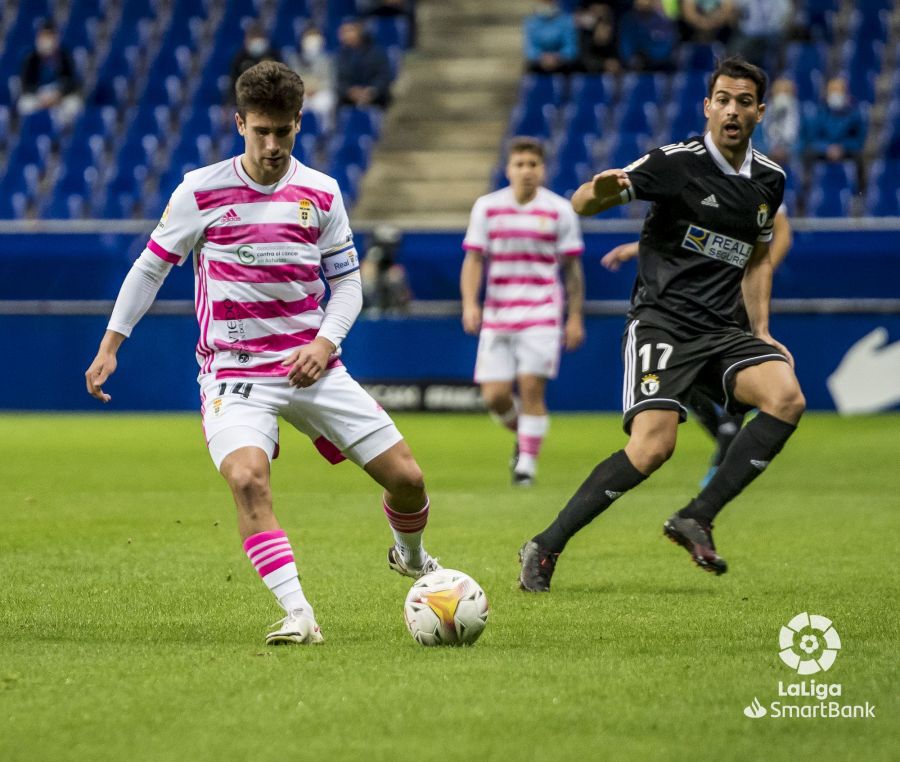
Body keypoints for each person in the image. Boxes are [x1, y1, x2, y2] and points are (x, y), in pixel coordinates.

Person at [85, 62, 441, 645]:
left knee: (408, 480)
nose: (272, 145)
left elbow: (347, 284)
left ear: (300, 124)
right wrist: (111, 344)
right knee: (249, 480)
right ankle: (299, 613)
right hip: (234, 371)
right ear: (239, 124)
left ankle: (410, 553)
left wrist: (325, 343)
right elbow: (150, 268)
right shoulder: (199, 190)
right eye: (261, 132)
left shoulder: (322, 193)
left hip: (313, 365)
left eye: (283, 132)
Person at [519, 57, 805, 590]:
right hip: (663, 325)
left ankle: (697, 515)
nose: (732, 110)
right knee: (653, 448)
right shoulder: (675, 163)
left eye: (744, 102)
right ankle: (546, 543)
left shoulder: (770, 180)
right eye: (722, 99)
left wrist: (761, 330)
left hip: (723, 330)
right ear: (707, 106)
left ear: (760, 112)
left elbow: (758, 256)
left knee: (786, 396)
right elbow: (583, 202)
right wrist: (600, 192)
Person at [600, 205, 792, 486]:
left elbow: (782, 234)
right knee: (686, 384)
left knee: (730, 367)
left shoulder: (758, 178)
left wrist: (754, 274)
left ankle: (722, 460)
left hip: (730, 300)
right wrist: (635, 248)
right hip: (695, 302)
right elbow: (687, 239)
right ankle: (732, 447)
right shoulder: (699, 177)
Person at [461, 137, 585, 486]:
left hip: (542, 313)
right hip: (498, 315)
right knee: (496, 397)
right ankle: (525, 437)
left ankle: (525, 468)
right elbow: (473, 259)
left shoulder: (560, 210)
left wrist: (574, 317)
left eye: (533, 164)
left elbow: (572, 270)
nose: (527, 171)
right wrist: (471, 303)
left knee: (531, 388)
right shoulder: (487, 207)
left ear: (543, 169)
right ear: (508, 169)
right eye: (520, 164)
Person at [17, 20, 83, 129]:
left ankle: (63, 136)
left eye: (50, 36)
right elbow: (25, 84)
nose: (47, 40)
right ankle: (29, 132)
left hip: (59, 95)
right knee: (24, 104)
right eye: (44, 36)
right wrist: (41, 97)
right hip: (38, 95)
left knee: (74, 105)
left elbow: (72, 81)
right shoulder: (31, 57)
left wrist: (58, 94)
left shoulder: (65, 55)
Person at [286, 26, 337, 131]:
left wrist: (316, 89)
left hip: (320, 92)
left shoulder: (328, 59)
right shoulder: (294, 58)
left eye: (316, 37)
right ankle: (296, 130)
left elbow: (330, 80)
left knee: (325, 102)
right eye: (309, 37)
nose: (313, 41)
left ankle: (324, 132)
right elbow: (291, 79)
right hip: (302, 92)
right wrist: (305, 89)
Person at [335, 18, 393, 108]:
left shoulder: (377, 52)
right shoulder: (340, 55)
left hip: (376, 97)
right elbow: (338, 80)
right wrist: (350, 91)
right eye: (342, 32)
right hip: (349, 98)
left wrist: (372, 90)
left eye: (349, 31)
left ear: (359, 31)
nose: (345, 35)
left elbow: (384, 76)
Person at [617, 0, 678, 72]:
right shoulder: (627, 20)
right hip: (636, 70)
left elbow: (668, 46)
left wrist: (649, 57)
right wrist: (633, 60)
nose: (640, 2)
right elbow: (625, 48)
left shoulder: (663, 20)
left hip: (662, 67)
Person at [228, 24, 282, 103]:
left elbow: (282, 80)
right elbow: (233, 84)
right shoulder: (240, 59)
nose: (256, 42)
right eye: (253, 38)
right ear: (246, 40)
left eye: (259, 38)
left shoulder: (274, 55)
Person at [523, 0, 580, 75]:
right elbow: (530, 49)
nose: (547, 4)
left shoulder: (567, 21)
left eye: (550, 1)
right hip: (539, 64)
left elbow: (571, 48)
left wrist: (557, 57)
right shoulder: (531, 22)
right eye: (544, 2)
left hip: (562, 64)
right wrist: (542, 57)